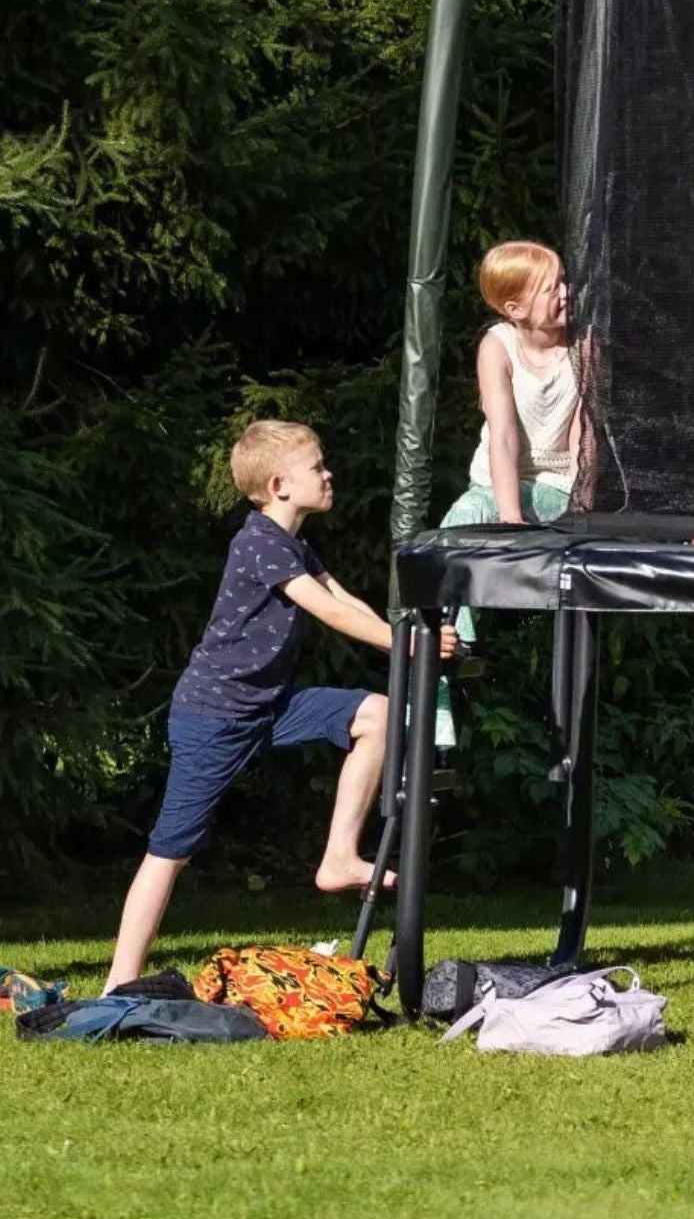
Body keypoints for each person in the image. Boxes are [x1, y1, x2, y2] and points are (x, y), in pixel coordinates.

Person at [105, 420, 456, 992]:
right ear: (279, 484)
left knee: (380, 714)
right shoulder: (259, 543)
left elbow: (347, 599)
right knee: (171, 851)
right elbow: (329, 612)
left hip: (270, 704)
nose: (328, 473)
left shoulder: (293, 544)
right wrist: (409, 644)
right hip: (215, 717)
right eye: (317, 466)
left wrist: (407, 636)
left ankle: (338, 857)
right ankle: (119, 982)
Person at [439, 240, 581, 531]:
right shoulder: (497, 347)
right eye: (551, 289)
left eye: (564, 281)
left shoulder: (585, 346)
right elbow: (502, 435)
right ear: (516, 309)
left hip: (559, 484)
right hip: (498, 485)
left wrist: (581, 506)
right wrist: (510, 518)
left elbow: (582, 436)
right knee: (466, 516)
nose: (566, 293)